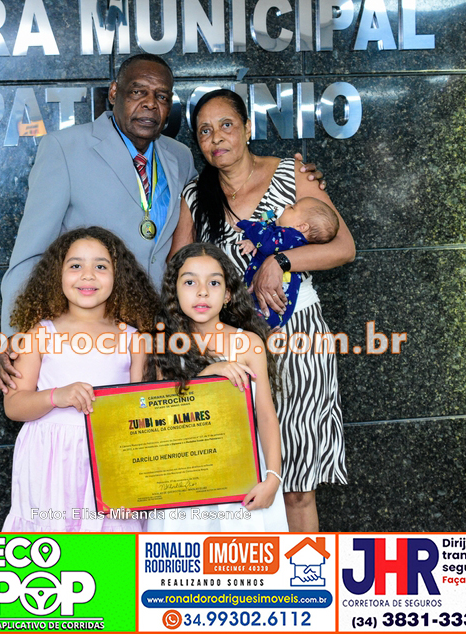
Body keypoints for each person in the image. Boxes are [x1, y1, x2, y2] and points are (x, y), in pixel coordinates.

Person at [0, 54, 322, 393]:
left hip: (164, 337)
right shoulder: (64, 148)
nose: (150, 104)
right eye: (138, 92)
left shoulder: (179, 155)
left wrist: (304, 181)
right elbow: (30, 254)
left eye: (161, 96)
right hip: (90, 337)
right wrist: (15, 336)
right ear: (114, 92)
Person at [169, 88, 355, 532]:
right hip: (231, 344)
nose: (217, 138)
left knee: (298, 483)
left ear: (248, 127)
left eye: (226, 125)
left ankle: (304, 573)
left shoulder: (293, 174)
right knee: (242, 478)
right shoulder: (195, 196)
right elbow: (178, 268)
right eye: (205, 131)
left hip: (298, 335)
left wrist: (281, 261)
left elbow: (344, 247)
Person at [1, 227, 159, 532]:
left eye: (101, 266)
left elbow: (141, 406)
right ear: (56, 276)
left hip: (110, 458)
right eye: (75, 265)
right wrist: (55, 396)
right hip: (49, 461)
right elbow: (14, 406)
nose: (88, 275)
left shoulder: (134, 339)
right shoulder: (39, 334)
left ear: (118, 276)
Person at [144, 242, 288, 532]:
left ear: (228, 294)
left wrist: (273, 478)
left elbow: (265, 414)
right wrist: (209, 373)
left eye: (213, 282)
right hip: (185, 473)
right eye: (190, 282)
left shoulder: (248, 343)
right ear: (174, 292)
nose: (202, 292)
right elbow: (162, 416)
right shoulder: (165, 346)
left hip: (242, 472)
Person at [234, 196, 339, 329]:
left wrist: (246, 225)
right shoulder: (289, 238)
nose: (286, 206)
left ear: (302, 227)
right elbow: (267, 234)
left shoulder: (291, 236)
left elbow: (266, 243)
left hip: (270, 304)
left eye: (292, 208)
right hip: (269, 302)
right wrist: (253, 241)